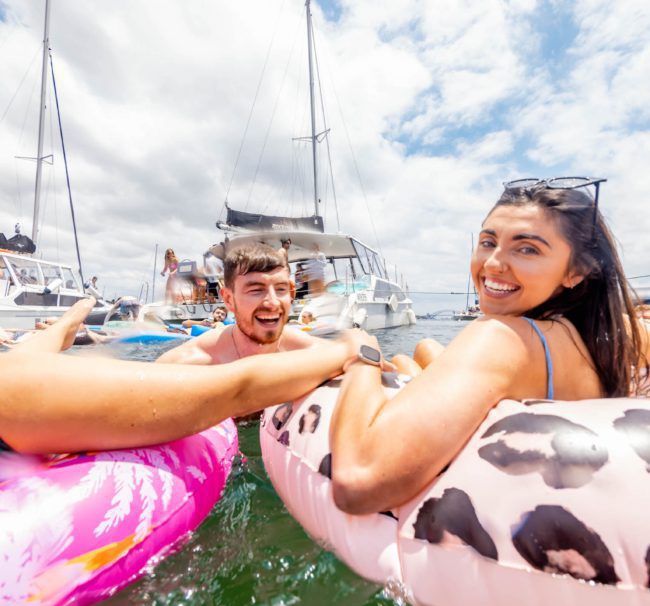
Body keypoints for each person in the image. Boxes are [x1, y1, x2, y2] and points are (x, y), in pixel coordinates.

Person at [327, 177, 650, 515]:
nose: (493, 263)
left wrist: (360, 355)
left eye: (527, 249)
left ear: (577, 271)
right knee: (424, 349)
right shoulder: (617, 336)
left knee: (404, 357)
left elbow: (358, 481)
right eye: (487, 242)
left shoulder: (502, 338)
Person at [0, 296, 375, 454]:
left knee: (24, 364)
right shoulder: (16, 389)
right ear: (230, 299)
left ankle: (64, 325)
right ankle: (64, 325)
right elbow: (236, 389)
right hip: (16, 391)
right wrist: (350, 348)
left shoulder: (17, 382)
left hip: (18, 385)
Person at [157, 243, 322, 365]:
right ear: (228, 299)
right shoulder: (189, 363)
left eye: (281, 289)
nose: (272, 302)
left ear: (291, 293)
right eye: (256, 290)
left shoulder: (313, 353)